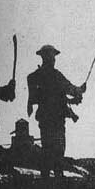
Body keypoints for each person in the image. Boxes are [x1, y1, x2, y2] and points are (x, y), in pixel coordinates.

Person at [27, 45, 86, 178]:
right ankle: (58, 183)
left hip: (44, 120)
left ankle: (46, 181)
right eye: (52, 56)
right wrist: (80, 91)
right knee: (58, 152)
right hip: (57, 120)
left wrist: (74, 97)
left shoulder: (34, 77)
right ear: (48, 57)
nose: (54, 59)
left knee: (47, 151)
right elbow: (71, 89)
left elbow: (35, 98)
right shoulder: (56, 75)